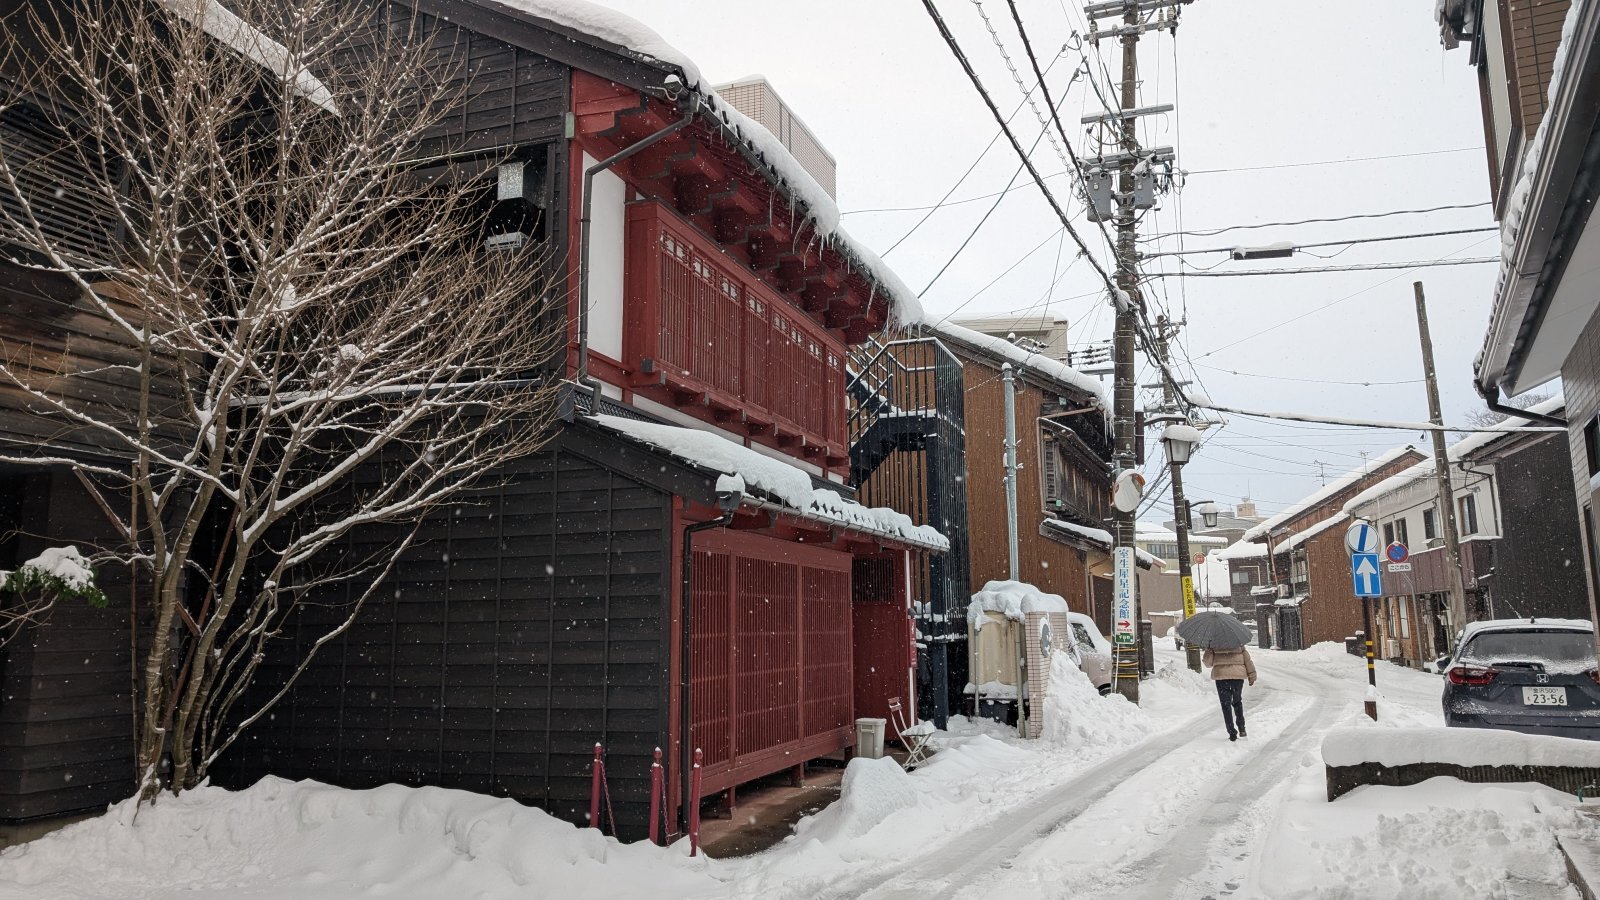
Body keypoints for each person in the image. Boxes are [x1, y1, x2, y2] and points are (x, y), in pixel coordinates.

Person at [1203, 645, 1256, 741]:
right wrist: (1252, 675)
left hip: (1221, 677)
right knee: (1237, 702)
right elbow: (1248, 661)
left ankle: (1232, 732)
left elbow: (1208, 664)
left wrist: (1209, 650)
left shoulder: (1214, 643)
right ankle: (1241, 727)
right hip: (1237, 677)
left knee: (1225, 705)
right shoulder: (1238, 643)